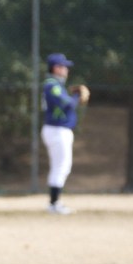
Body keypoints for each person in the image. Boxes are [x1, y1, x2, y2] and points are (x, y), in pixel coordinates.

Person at [41, 52, 90, 215]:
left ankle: (54, 203)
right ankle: (54, 204)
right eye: (64, 67)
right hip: (57, 130)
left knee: (60, 167)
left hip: (57, 130)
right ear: (56, 68)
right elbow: (66, 104)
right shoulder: (52, 85)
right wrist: (76, 96)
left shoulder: (55, 84)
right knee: (61, 167)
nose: (66, 70)